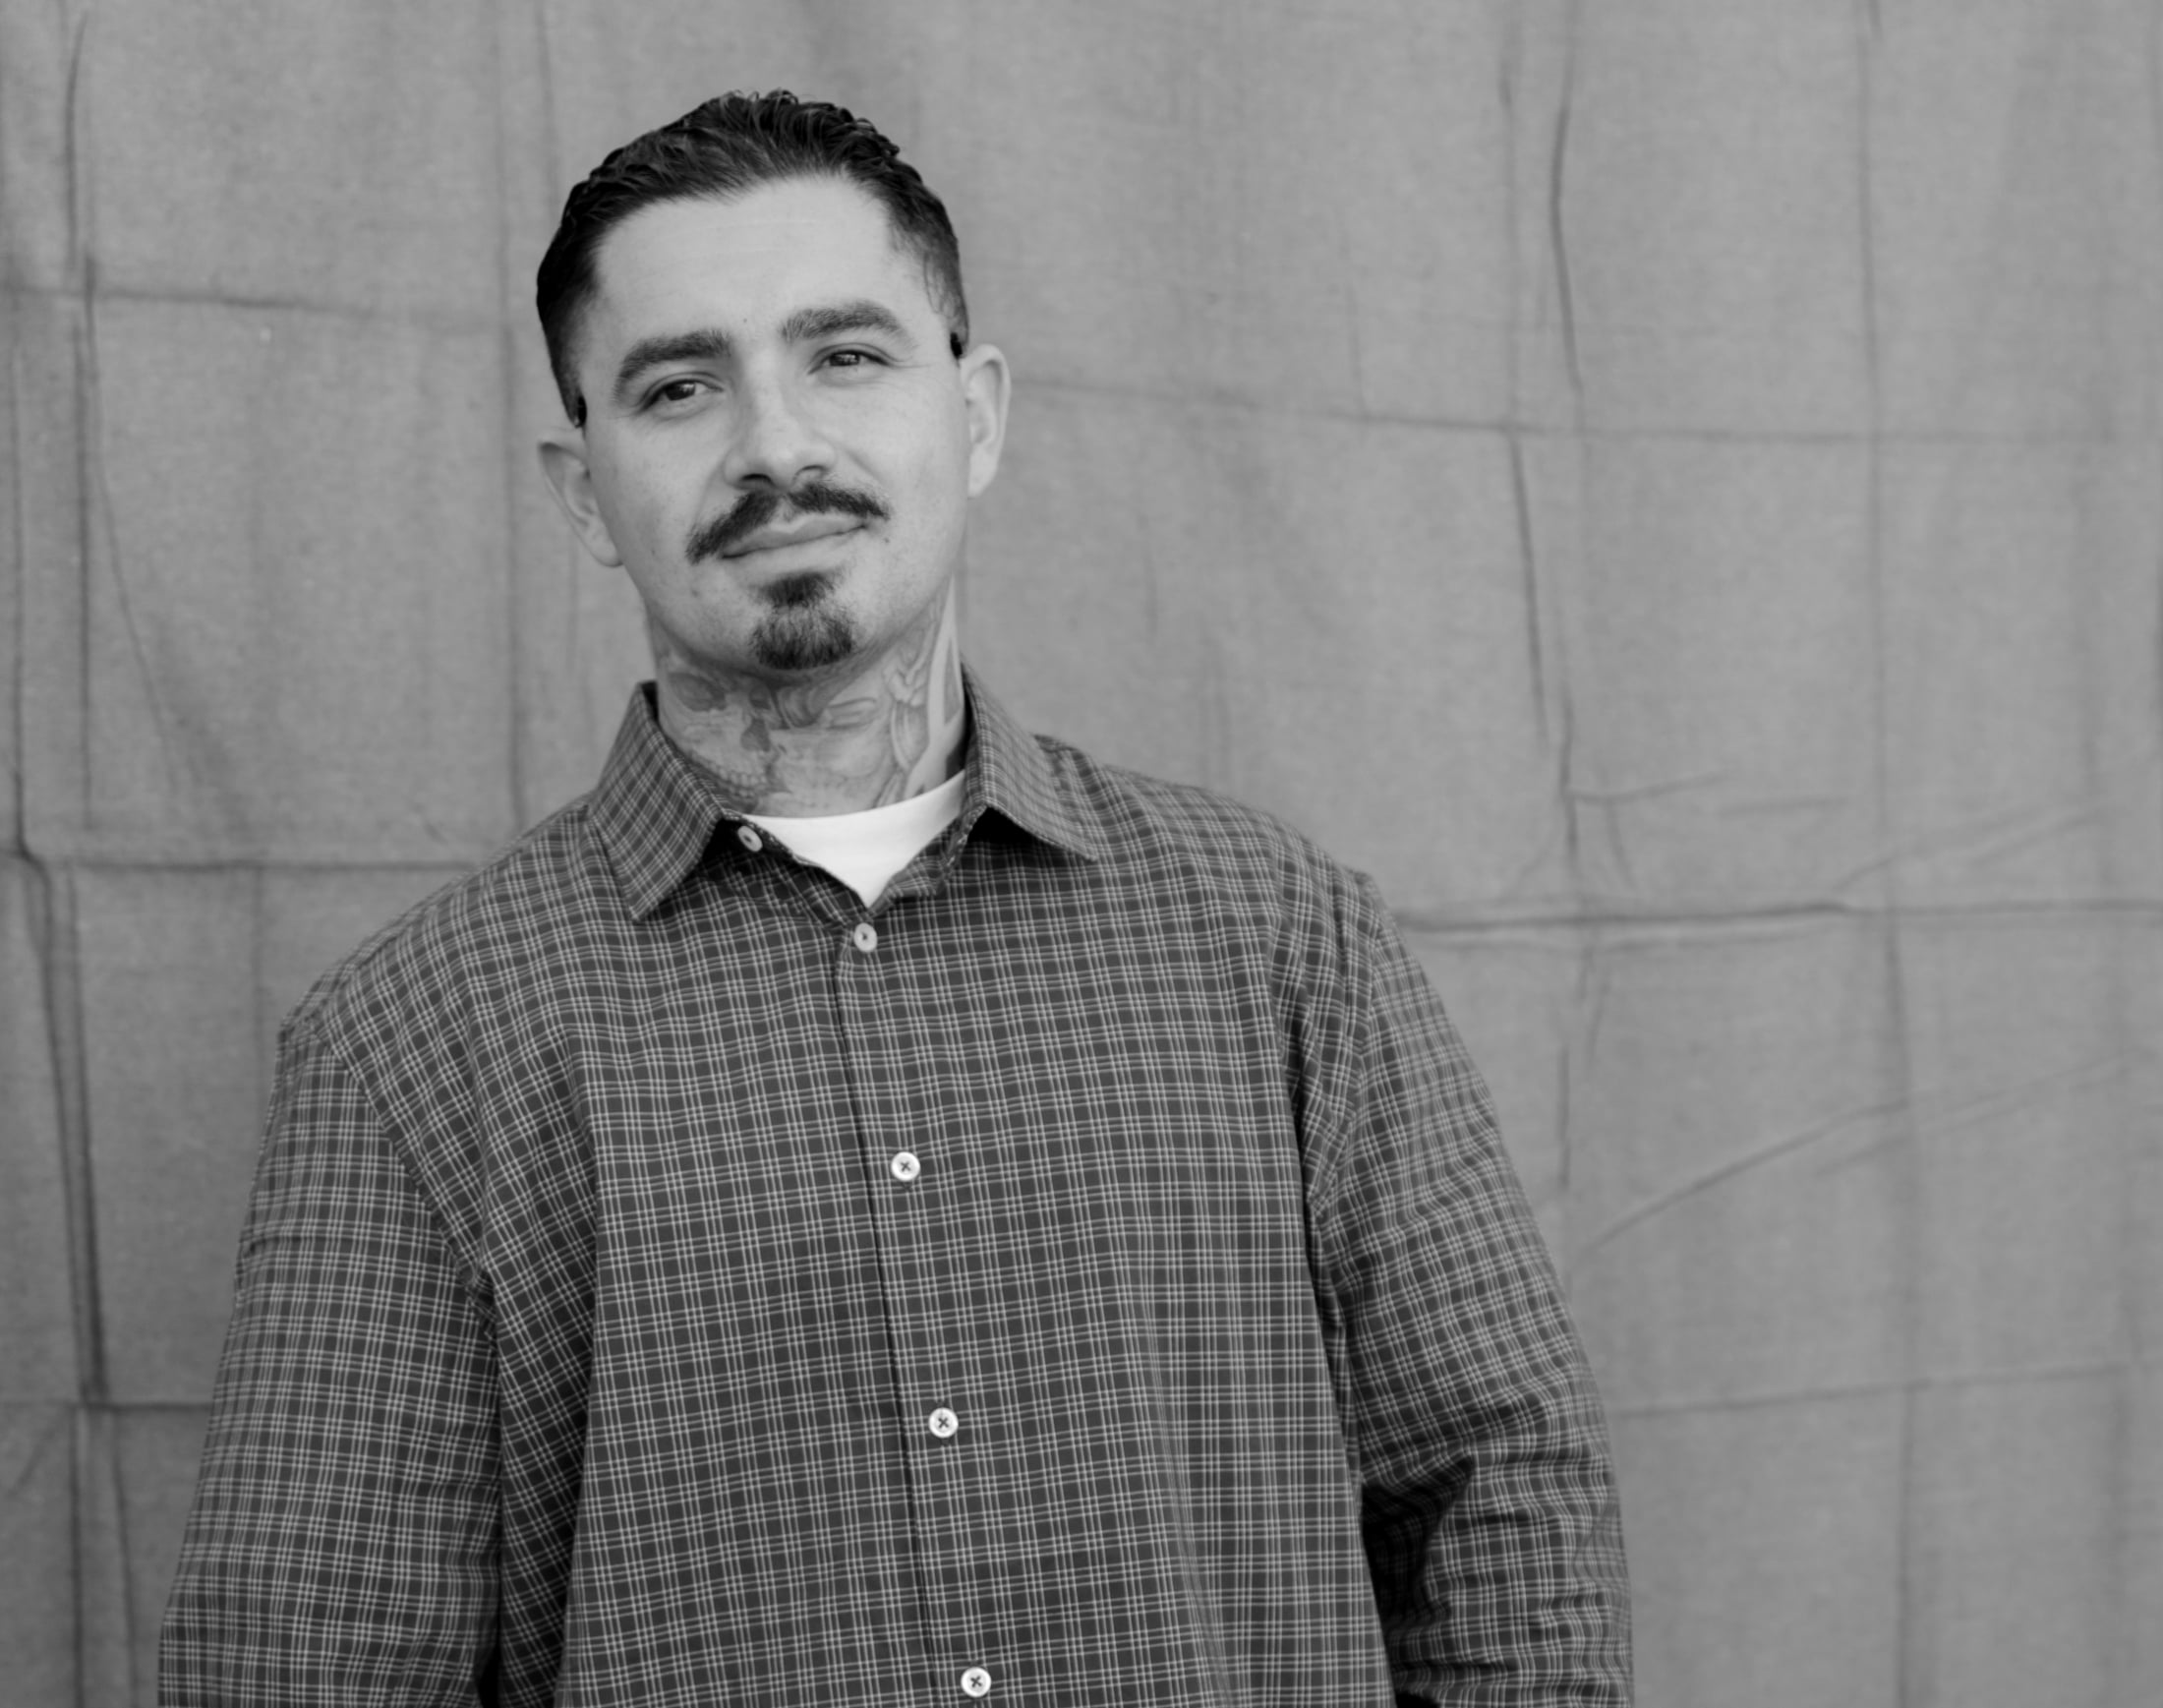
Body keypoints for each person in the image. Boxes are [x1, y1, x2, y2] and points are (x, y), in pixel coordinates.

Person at [160, 91, 1629, 1707]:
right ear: (584, 491)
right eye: (678, 385)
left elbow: (1505, 1503)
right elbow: (304, 1660)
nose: (775, 443)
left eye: (844, 355)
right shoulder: (411, 1050)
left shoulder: (1277, 938)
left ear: (975, 415)